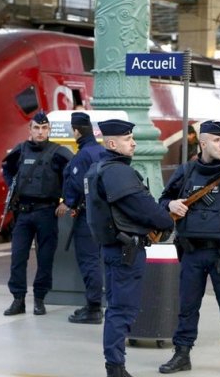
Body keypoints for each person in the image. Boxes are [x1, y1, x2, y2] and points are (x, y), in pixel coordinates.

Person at [157, 120, 220, 377]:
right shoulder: (186, 171)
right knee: (188, 306)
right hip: (192, 251)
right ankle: (182, 354)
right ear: (203, 143)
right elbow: (163, 200)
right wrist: (171, 205)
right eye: (216, 140)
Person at [84, 119, 174, 377]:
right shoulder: (117, 172)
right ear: (112, 143)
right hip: (126, 253)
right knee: (123, 310)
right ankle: (116, 369)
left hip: (113, 250)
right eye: (127, 139)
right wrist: (166, 219)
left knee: (115, 309)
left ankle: (115, 364)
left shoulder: (97, 169)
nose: (133, 143)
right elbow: (142, 205)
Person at [1, 111, 73, 316]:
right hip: (23, 213)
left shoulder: (59, 152)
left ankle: (40, 299)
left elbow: (74, 174)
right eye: (36, 128)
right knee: (18, 258)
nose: (40, 132)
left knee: (45, 258)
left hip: (47, 212)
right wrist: (12, 189)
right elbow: (7, 168)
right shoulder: (21, 150)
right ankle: (18, 300)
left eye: (44, 128)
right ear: (30, 130)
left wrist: (67, 201)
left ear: (49, 130)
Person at [58, 111, 106, 324]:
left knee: (89, 262)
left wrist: (68, 202)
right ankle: (93, 304)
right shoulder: (102, 151)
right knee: (97, 261)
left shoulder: (83, 155)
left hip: (87, 217)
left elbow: (76, 184)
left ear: (76, 131)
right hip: (101, 215)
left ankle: (94, 308)